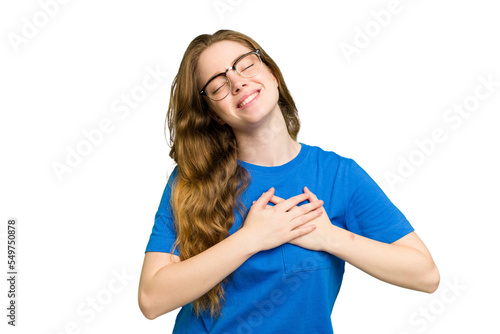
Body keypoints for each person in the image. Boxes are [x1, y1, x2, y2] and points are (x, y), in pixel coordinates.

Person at [138, 29, 440, 333]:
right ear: (214, 114)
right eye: (218, 84)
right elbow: (152, 299)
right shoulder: (192, 180)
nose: (237, 82)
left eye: (245, 65)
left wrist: (328, 237)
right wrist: (250, 239)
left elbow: (425, 274)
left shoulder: (337, 175)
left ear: (273, 75)